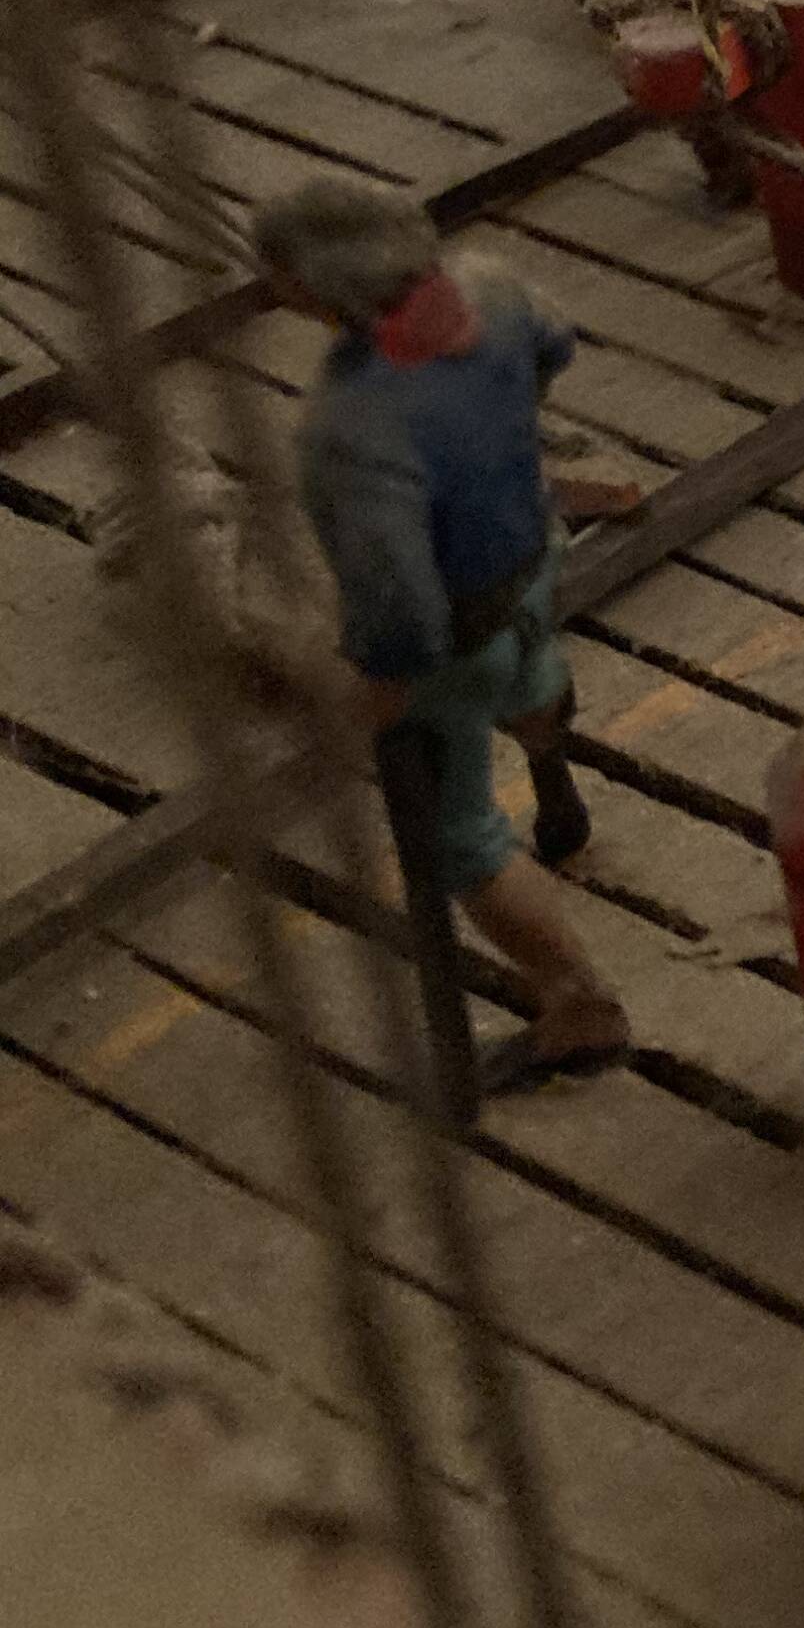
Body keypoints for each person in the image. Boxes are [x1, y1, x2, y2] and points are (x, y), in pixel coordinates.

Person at [256, 180, 628, 1092]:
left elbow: (399, 601)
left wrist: (386, 689)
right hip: (531, 553)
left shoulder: (349, 426)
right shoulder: (493, 291)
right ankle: (563, 810)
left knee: (456, 837)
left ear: (312, 292)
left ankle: (579, 1004)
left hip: (457, 638)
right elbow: (555, 342)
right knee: (536, 666)